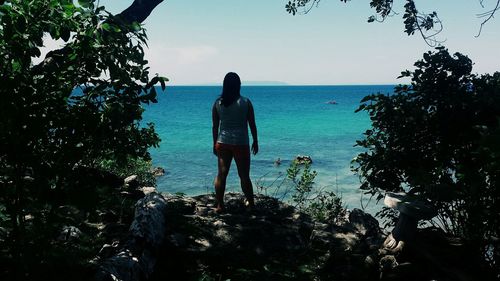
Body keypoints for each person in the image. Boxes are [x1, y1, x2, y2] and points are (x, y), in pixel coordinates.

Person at [212, 72, 258, 213]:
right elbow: (252, 124)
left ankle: (220, 205)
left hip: (222, 142)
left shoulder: (218, 103)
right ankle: (251, 205)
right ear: (239, 85)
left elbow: (215, 126)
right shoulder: (245, 102)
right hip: (241, 143)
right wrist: (255, 141)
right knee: (244, 176)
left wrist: (214, 143)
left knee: (221, 174)